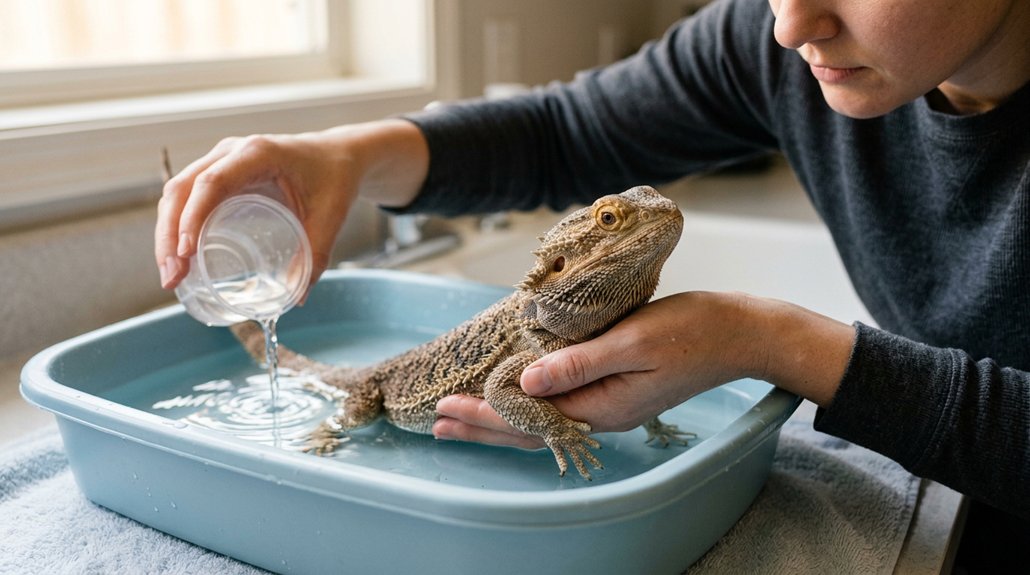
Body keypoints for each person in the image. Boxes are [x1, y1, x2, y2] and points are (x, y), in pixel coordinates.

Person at [156, 0, 1029, 568]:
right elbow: (563, 133)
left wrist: (776, 342)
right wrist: (345, 152)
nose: (789, 27)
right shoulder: (785, 48)